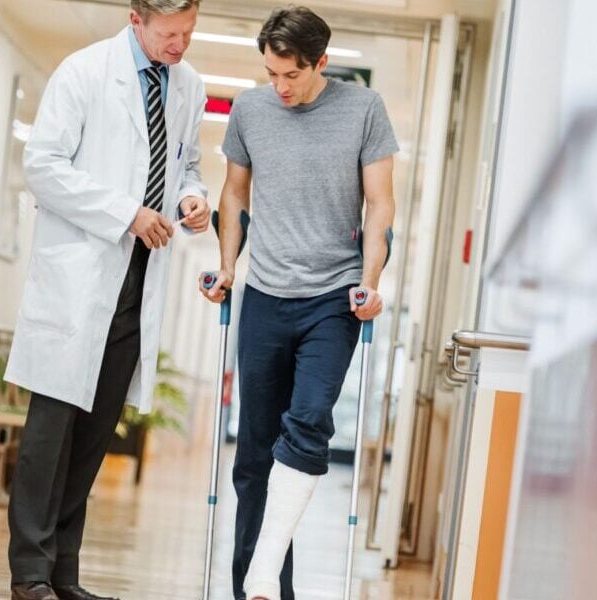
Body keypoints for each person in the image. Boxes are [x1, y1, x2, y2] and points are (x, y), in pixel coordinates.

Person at [3, 1, 210, 599]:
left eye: (189, 33)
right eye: (170, 34)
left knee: (94, 435)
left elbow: (187, 163)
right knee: (51, 432)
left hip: (140, 278)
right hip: (81, 276)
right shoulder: (85, 72)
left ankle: (63, 573)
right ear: (136, 19)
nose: (180, 45)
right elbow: (42, 165)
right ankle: (29, 573)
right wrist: (126, 214)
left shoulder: (188, 85)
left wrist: (192, 198)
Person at [199, 6, 398, 600]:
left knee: (308, 421)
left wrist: (370, 281)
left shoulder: (364, 109)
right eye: (271, 73)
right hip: (264, 294)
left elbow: (380, 206)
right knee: (253, 456)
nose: (280, 87)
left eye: (292, 75)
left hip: (332, 299)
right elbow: (235, 193)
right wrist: (228, 268)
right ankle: (259, 590)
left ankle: (261, 575)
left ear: (322, 63)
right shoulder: (249, 109)